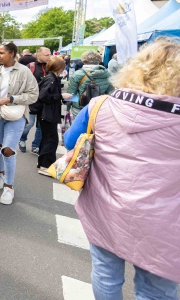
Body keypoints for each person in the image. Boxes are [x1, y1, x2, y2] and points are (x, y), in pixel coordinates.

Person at [63, 38, 180, 299]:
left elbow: (70, 141)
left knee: (106, 274)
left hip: (106, 206)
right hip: (166, 221)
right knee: (156, 290)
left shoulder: (102, 105)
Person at [0, 42, 38, 205]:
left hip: (16, 114)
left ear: (12, 53)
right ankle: (1, 173)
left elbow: (34, 94)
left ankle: (9, 187)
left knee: (8, 150)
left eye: (2, 53)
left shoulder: (24, 71)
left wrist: (12, 98)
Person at [35, 56, 71, 176]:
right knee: (51, 139)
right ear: (60, 67)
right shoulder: (51, 79)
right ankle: (46, 165)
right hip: (48, 113)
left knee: (47, 139)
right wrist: (60, 96)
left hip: (46, 113)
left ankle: (43, 163)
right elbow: (43, 96)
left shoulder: (50, 78)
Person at [19, 46, 50, 154]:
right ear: (38, 55)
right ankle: (22, 139)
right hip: (32, 101)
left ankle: (35, 145)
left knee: (41, 126)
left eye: (50, 54)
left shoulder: (50, 66)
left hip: (45, 102)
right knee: (29, 124)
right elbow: (23, 82)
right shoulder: (31, 67)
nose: (49, 57)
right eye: (47, 55)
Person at [67, 51, 114, 120]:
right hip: (98, 107)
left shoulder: (77, 74)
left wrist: (67, 108)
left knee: (80, 129)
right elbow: (110, 93)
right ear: (99, 60)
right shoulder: (107, 74)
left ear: (83, 60)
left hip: (79, 107)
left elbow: (71, 93)